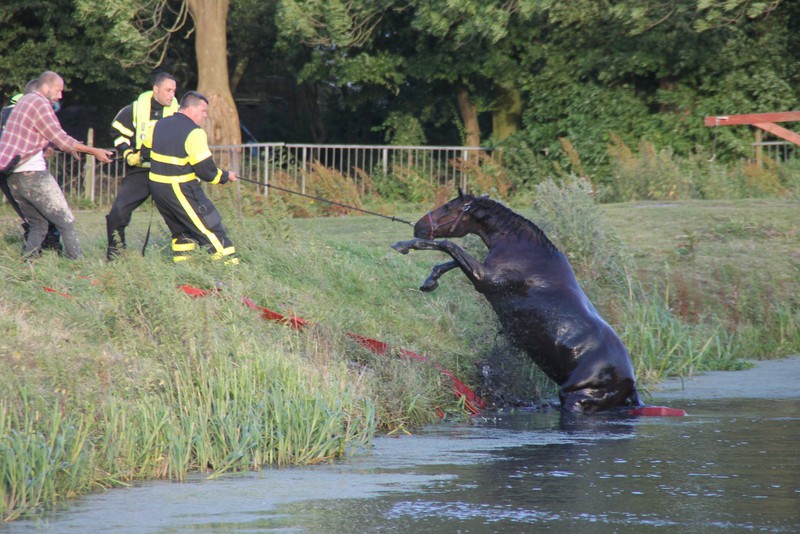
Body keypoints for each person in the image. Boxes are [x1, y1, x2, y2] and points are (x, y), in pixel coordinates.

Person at [0, 71, 113, 259]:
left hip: (13, 175)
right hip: (33, 174)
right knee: (66, 221)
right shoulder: (40, 103)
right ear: (45, 87)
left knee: (38, 224)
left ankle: (27, 263)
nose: (60, 95)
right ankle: (77, 265)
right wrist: (94, 151)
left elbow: (38, 136)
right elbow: (60, 138)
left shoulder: (24, 102)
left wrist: (73, 149)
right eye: (58, 90)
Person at [148, 91, 239, 264]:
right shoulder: (195, 132)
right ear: (191, 108)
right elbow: (206, 171)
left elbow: (145, 149)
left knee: (182, 234)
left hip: (158, 189)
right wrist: (226, 176)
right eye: (203, 111)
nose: (205, 116)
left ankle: (185, 277)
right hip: (181, 188)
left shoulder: (159, 125)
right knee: (212, 229)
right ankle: (233, 275)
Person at [106, 72, 178, 260]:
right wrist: (128, 154)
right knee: (117, 214)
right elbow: (118, 133)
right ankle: (116, 255)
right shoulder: (135, 109)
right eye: (167, 90)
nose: (171, 95)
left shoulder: (178, 113)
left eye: (174, 91)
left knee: (180, 217)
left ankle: (187, 257)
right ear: (156, 89)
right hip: (139, 172)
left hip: (166, 172)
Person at [1, 80, 63, 252]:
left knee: (27, 210)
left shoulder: (7, 111)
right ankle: (50, 245)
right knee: (42, 208)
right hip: (23, 169)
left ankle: (38, 247)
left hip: (6, 170)